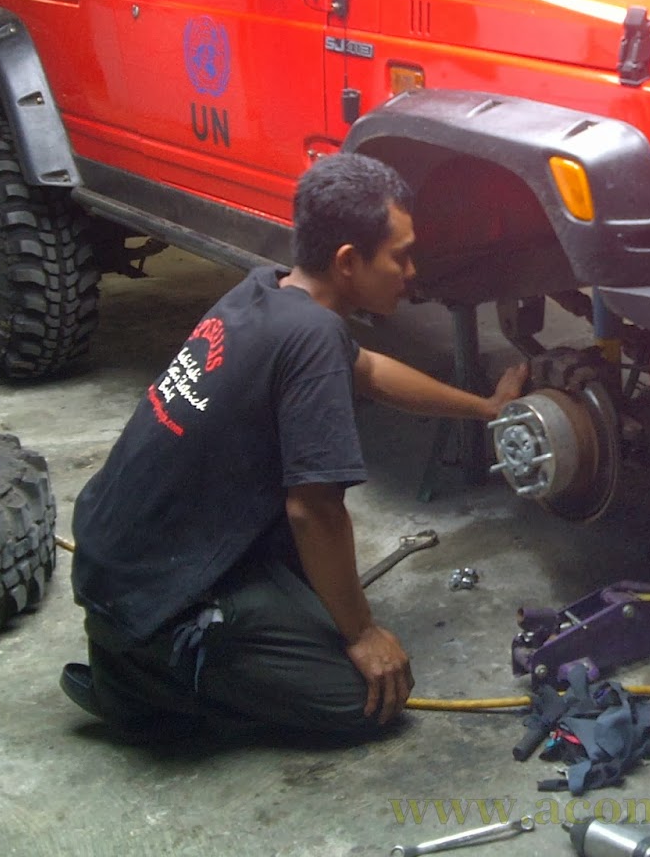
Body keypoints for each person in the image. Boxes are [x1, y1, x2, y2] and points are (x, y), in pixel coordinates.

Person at [63, 153, 526, 743]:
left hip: (118, 552)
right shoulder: (310, 336)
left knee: (315, 592)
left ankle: (171, 640)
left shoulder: (266, 292)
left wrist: (483, 407)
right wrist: (361, 634)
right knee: (363, 700)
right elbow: (314, 509)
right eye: (400, 255)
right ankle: (147, 678)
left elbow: (370, 370)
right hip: (145, 590)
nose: (412, 270)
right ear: (348, 262)